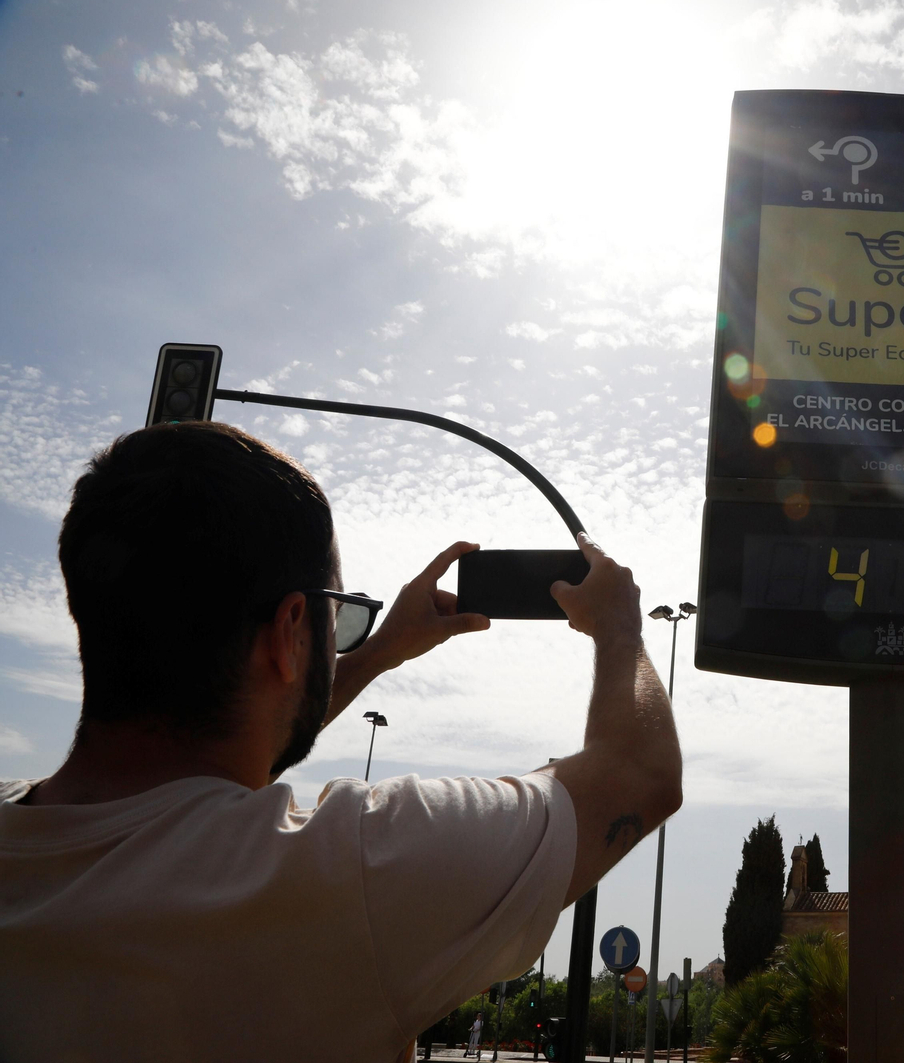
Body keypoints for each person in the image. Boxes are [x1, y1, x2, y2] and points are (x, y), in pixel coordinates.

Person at [0, 422, 682, 1062]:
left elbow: (212, 752)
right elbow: (638, 774)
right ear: (291, 627)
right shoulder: (351, 872)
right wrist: (619, 628)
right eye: (335, 612)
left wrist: (378, 649)